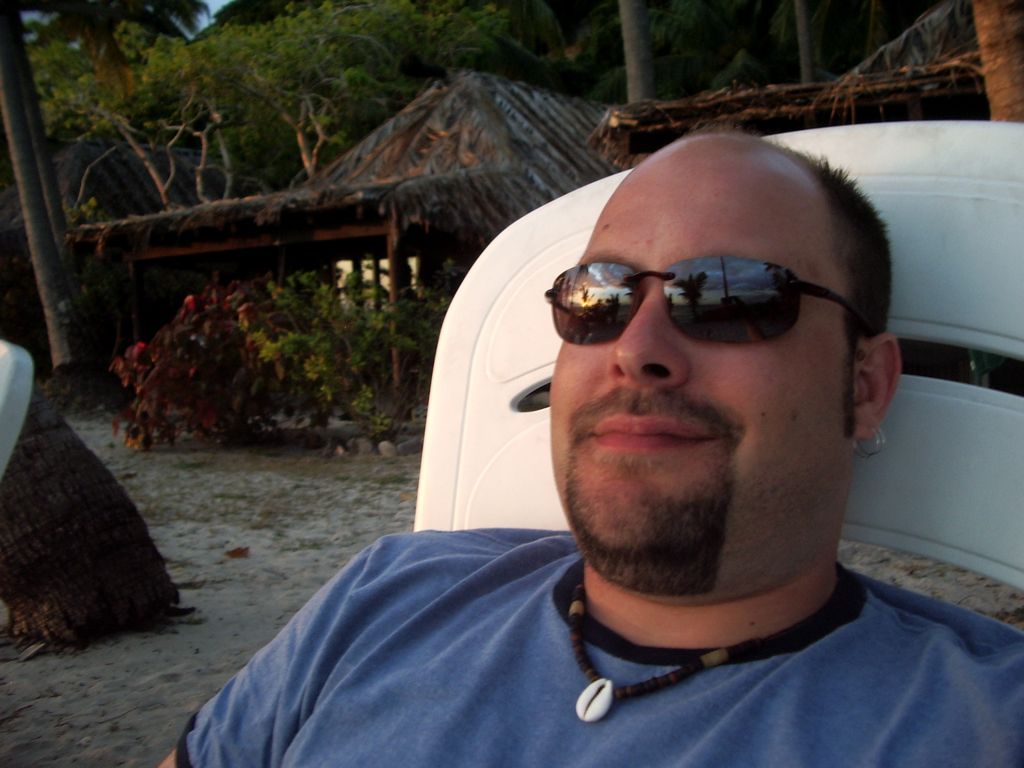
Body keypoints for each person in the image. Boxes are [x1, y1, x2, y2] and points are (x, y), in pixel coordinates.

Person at [161, 131, 1024, 767]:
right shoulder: (388, 595)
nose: (635, 348)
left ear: (865, 386)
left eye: (728, 296)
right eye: (597, 296)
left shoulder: (986, 722)